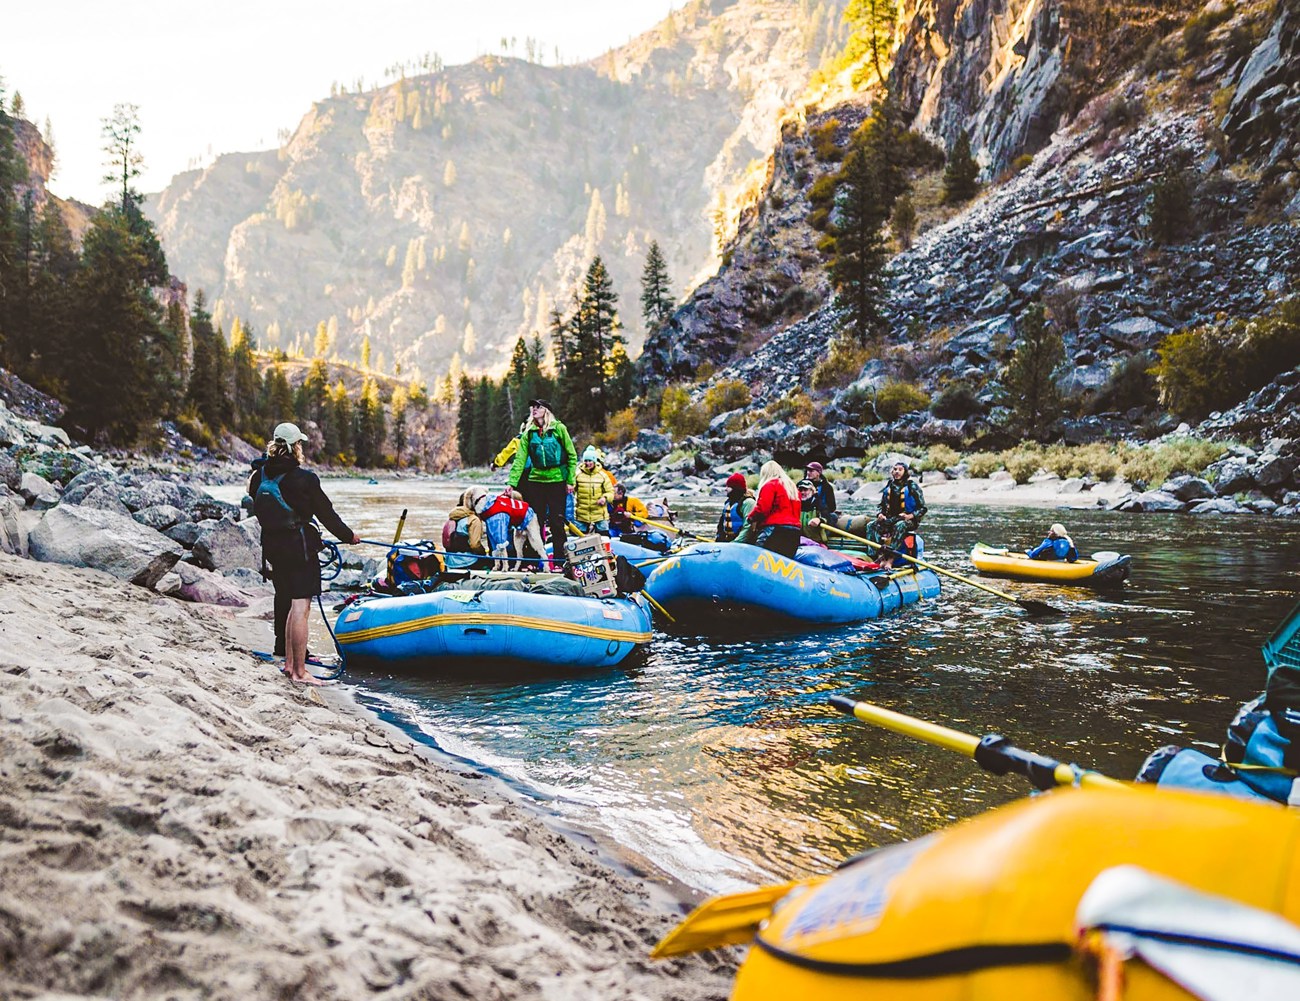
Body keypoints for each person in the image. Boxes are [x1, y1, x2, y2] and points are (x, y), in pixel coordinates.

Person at [247, 422, 359, 686]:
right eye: (300, 444)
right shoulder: (305, 479)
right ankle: (299, 671)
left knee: (288, 604)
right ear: (295, 446)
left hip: (273, 549)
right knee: (300, 608)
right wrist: (349, 536)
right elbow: (327, 515)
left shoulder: (258, 477)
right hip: (300, 551)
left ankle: (288, 664)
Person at [508, 399, 577, 570]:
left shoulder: (559, 429)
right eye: (532, 407)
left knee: (556, 522)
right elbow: (520, 460)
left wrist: (570, 481)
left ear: (546, 410)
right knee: (534, 522)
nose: (534, 409)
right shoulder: (529, 433)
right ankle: (534, 561)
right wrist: (512, 482)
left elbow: (572, 455)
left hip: (556, 480)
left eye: (538, 407)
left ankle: (560, 562)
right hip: (536, 481)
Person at [476, 488, 547, 570]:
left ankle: (545, 565)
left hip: (525, 521)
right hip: (516, 527)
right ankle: (514, 566)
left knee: (535, 542)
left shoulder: (524, 513)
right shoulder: (501, 515)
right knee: (518, 546)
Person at [744, 460, 802, 557]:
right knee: (784, 562)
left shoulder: (770, 485)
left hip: (774, 529)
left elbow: (762, 508)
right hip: (794, 531)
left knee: (760, 557)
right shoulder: (793, 488)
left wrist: (751, 518)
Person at [877, 461, 927, 536]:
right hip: (890, 519)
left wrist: (910, 516)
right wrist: (880, 514)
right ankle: (873, 547)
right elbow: (881, 505)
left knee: (899, 526)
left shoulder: (912, 486)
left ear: (905, 472)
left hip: (908, 521)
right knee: (871, 526)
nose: (897, 471)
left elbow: (923, 509)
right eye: (895, 469)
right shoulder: (889, 486)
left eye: (900, 470)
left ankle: (892, 547)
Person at [573, 446, 614, 535]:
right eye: (586, 461)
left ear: (594, 461)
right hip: (581, 514)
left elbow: (611, 492)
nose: (588, 463)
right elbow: (571, 490)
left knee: (604, 538)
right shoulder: (577, 475)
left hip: (600, 514)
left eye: (590, 461)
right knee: (579, 540)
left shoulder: (603, 475)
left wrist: (605, 498)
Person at [443, 487, 488, 556]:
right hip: (467, 560)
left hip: (450, 559)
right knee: (491, 562)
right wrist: (483, 553)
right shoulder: (474, 519)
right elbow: (474, 545)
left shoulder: (454, 516)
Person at [716, 472, 756, 543]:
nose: (726, 489)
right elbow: (721, 524)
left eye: (728, 487)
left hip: (743, 543)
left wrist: (736, 542)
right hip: (729, 540)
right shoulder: (728, 503)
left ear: (735, 488)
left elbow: (748, 527)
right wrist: (719, 540)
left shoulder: (748, 503)